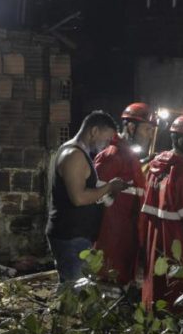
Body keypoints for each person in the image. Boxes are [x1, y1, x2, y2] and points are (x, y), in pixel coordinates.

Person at [46, 111, 127, 283]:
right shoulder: (74, 155)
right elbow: (79, 198)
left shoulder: (78, 152)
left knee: (74, 291)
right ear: (94, 131)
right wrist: (109, 186)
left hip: (75, 236)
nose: (106, 145)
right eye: (106, 139)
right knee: (75, 292)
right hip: (70, 236)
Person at [140, 113, 183, 308]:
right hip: (178, 250)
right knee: (178, 302)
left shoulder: (155, 169)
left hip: (154, 247)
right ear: (180, 140)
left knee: (155, 299)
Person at [93, 103, 154, 285]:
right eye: (147, 129)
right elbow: (96, 203)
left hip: (128, 249)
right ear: (131, 126)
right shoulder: (111, 157)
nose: (150, 136)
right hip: (112, 253)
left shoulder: (131, 159)